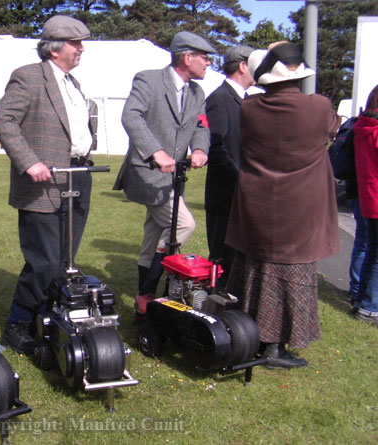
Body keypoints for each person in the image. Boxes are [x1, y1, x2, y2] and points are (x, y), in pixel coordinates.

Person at [225, 42, 341, 368]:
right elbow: (332, 127)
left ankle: (252, 335)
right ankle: (278, 346)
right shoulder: (319, 107)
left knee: (256, 270)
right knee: (294, 273)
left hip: (258, 203)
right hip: (302, 209)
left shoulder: (249, 108)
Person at [0, 15, 96, 354]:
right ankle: (18, 323)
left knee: (65, 259)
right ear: (54, 49)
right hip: (42, 183)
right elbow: (4, 120)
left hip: (78, 178)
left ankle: (47, 319)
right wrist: (29, 161)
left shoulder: (73, 83)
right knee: (45, 262)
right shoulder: (29, 77)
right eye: (75, 43)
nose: (81, 49)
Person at [113, 31, 215, 319]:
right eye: (205, 58)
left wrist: (200, 149)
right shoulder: (149, 79)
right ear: (187, 57)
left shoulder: (197, 93)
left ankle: (143, 301)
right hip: (147, 173)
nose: (208, 64)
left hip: (174, 178)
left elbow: (201, 126)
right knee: (183, 225)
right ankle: (147, 290)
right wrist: (155, 151)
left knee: (154, 234)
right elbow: (131, 116)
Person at [204, 45, 255, 290]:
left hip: (242, 195)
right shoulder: (219, 98)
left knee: (238, 261)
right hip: (225, 196)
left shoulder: (246, 100)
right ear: (243, 66)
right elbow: (216, 147)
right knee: (222, 259)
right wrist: (242, 180)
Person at [352, 84, 378, 327]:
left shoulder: (363, 128)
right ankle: (370, 308)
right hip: (375, 197)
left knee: (370, 251)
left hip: (368, 196)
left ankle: (361, 300)